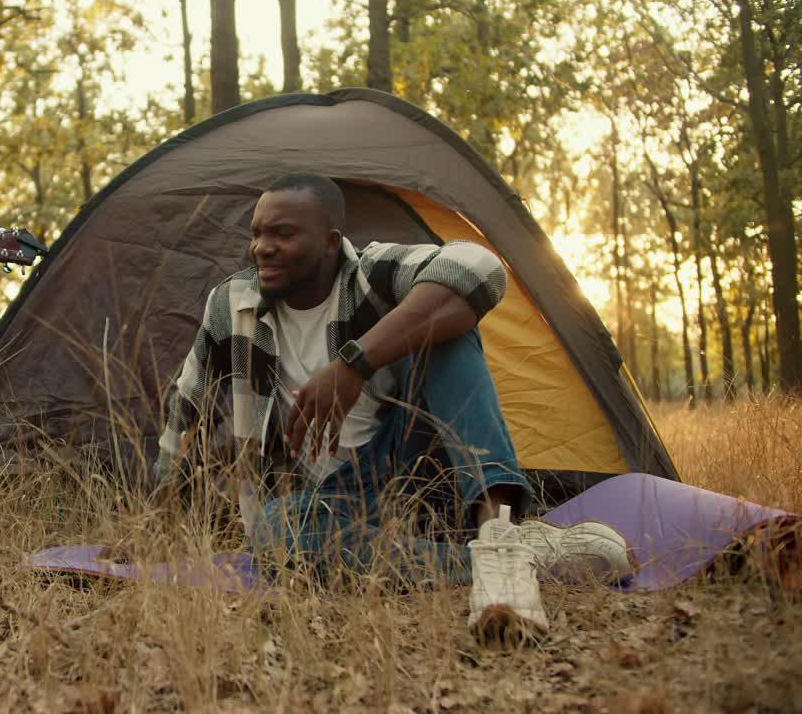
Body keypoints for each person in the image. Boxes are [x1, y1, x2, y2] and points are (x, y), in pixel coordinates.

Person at [153, 173, 633, 644]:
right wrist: (156, 513)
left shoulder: (372, 272)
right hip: (321, 502)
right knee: (274, 533)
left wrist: (353, 364)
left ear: (329, 242)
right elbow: (186, 401)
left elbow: (479, 267)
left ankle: (496, 526)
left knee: (448, 322)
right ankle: (511, 557)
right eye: (257, 233)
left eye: (283, 233)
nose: (262, 247)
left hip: (412, 471)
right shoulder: (233, 302)